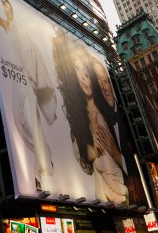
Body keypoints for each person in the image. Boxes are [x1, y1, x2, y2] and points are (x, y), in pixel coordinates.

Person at [0, 0, 57, 191]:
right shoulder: (8, 24)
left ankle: (39, 171)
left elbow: (35, 54)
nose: (6, 9)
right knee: (18, 117)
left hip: (30, 76)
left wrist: (37, 79)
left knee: (34, 120)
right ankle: (44, 152)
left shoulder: (22, 27)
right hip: (17, 73)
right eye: (4, 7)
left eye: (8, 6)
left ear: (12, 9)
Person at [52, 29, 129, 204]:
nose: (83, 76)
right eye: (76, 70)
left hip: (122, 191)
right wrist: (92, 151)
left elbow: (128, 164)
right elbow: (84, 164)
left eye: (85, 70)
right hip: (100, 195)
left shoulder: (108, 112)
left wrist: (112, 149)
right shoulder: (78, 119)